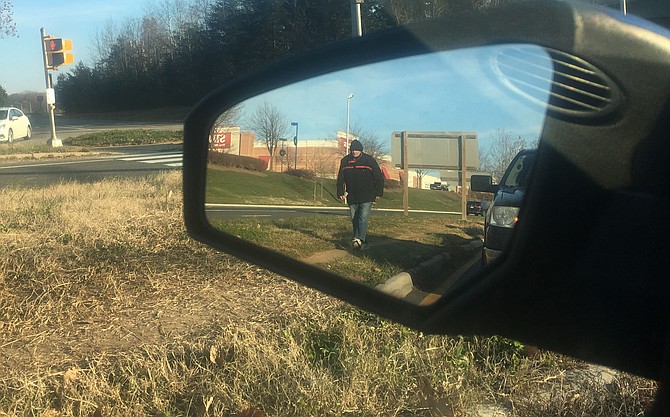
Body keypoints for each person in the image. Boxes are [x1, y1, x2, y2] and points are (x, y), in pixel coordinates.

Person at [336, 140, 384, 251]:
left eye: (357, 150)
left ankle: (358, 240)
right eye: (353, 150)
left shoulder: (369, 160)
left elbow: (378, 177)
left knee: (363, 218)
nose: (355, 152)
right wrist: (340, 192)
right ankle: (361, 240)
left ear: (361, 150)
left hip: (367, 195)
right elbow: (340, 178)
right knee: (355, 218)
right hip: (352, 195)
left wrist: (378, 192)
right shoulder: (345, 161)